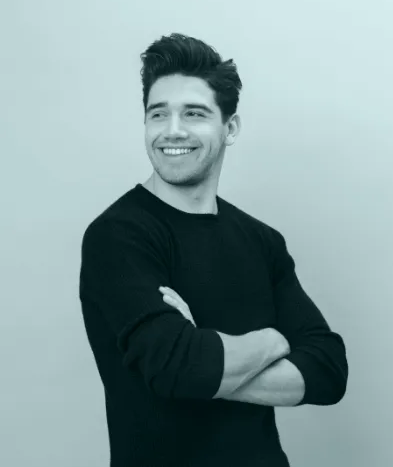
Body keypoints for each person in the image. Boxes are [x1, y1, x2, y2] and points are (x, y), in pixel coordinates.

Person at [79, 32, 348, 467]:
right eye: (158, 114)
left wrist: (204, 360)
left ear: (230, 127)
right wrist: (273, 340)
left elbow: (329, 371)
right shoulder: (118, 236)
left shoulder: (262, 240)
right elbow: (177, 369)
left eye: (194, 113)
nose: (172, 130)